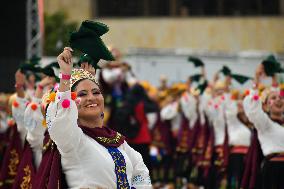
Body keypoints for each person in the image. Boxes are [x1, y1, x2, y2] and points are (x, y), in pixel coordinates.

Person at [45, 47, 152, 188]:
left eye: (96, 92)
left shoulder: (117, 140)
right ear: (72, 104)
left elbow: (141, 173)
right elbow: (60, 116)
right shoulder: (73, 140)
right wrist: (65, 76)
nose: (91, 98)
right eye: (82, 94)